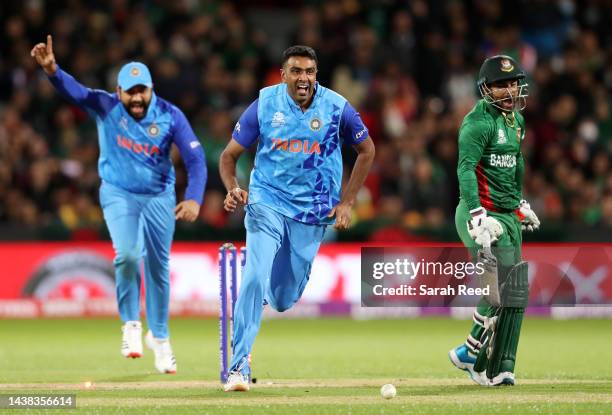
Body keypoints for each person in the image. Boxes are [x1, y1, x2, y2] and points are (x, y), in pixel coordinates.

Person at [30, 35, 207, 374]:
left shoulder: (170, 115)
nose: (137, 98)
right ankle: (130, 325)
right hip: (118, 193)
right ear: (119, 91)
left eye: (142, 91)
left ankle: (162, 338)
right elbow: (77, 92)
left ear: (151, 89)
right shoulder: (106, 106)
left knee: (158, 267)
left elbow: (196, 160)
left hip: (159, 196)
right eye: (131, 91)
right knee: (127, 254)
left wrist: (194, 198)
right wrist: (53, 71)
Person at [219, 45, 375, 391]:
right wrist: (233, 187)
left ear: (316, 75)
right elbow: (229, 157)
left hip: (312, 212)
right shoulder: (264, 104)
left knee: (284, 298)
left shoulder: (337, 108)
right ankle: (239, 366)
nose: (303, 78)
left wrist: (347, 202)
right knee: (254, 276)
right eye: (296, 71)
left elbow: (367, 150)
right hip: (266, 202)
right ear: (283, 74)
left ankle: (260, 293)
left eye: (309, 72)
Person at [448, 55, 540, 386]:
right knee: (497, 285)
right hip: (479, 215)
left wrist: (519, 203)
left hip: (507, 214)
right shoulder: (477, 123)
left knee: (516, 292)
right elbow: (465, 169)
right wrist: (477, 214)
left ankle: (500, 366)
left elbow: (517, 163)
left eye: (513, 83)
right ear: (486, 88)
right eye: (501, 84)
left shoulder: (517, 121)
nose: (509, 90)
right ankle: (471, 351)